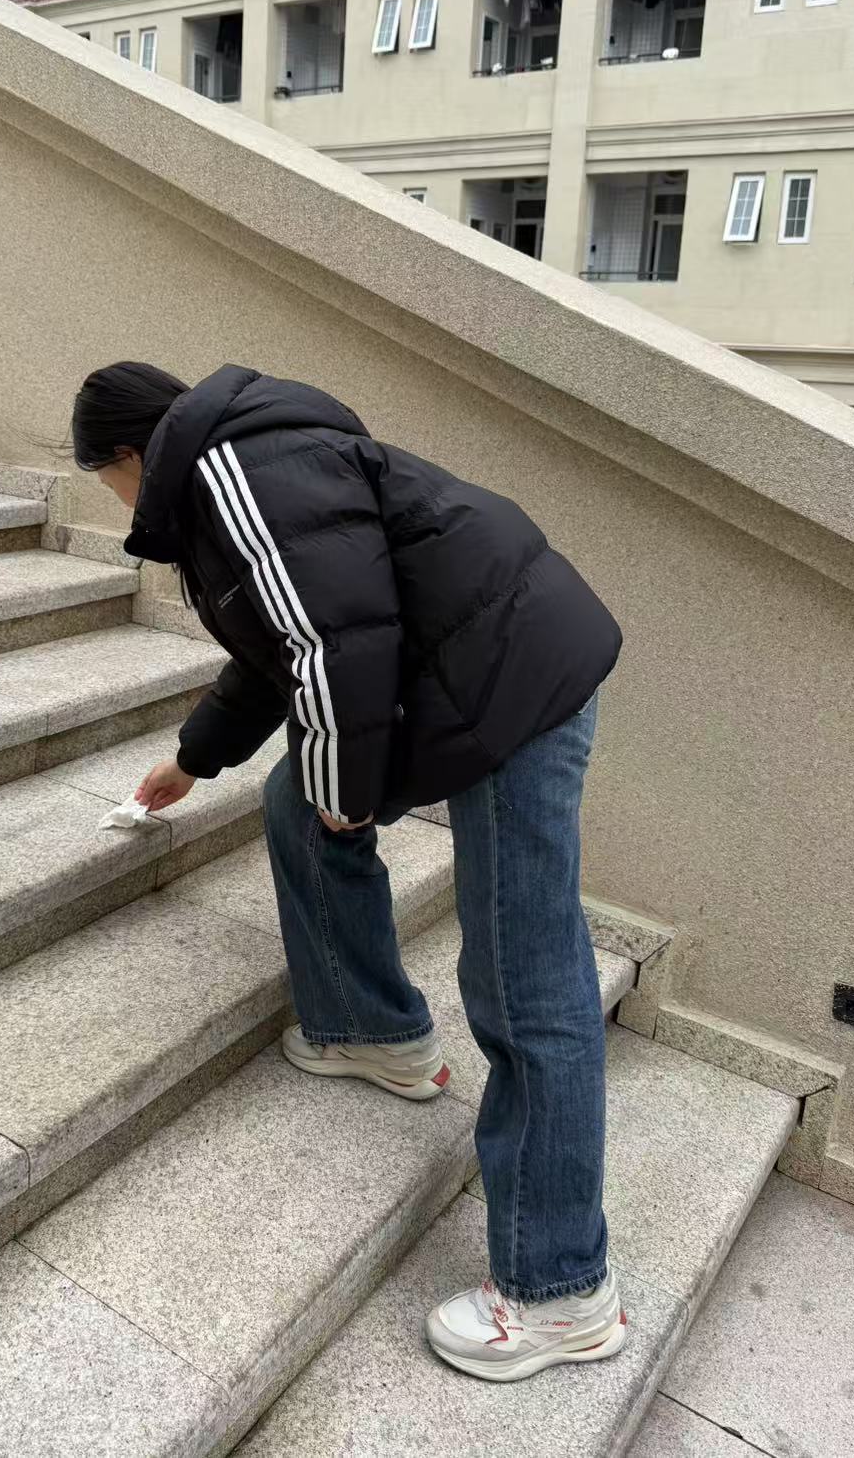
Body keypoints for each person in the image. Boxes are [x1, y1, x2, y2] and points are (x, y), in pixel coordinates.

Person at [71, 360, 626, 1383]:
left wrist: (348, 789)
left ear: (126, 455)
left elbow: (335, 647)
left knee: (524, 978)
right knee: (298, 797)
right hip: (485, 663)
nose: (116, 501)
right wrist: (194, 760)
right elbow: (278, 649)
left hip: (511, 687)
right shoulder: (243, 462)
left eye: (106, 481)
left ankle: (558, 1289)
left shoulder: (237, 470)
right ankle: (372, 1031)